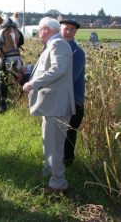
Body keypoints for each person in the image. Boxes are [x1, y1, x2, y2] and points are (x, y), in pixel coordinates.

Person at [23, 17, 75, 194]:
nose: (38, 34)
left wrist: (33, 83)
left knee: (54, 145)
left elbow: (58, 69)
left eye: (39, 30)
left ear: (45, 29)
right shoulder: (55, 44)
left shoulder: (57, 44)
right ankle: (50, 173)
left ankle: (58, 184)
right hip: (53, 104)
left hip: (57, 105)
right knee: (50, 142)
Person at [60, 19, 85, 167]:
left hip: (74, 100)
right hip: (59, 98)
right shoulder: (53, 48)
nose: (68, 31)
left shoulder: (77, 52)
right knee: (58, 133)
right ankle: (58, 160)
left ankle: (67, 162)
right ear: (60, 30)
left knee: (70, 133)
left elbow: (71, 77)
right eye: (66, 29)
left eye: (72, 29)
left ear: (75, 32)